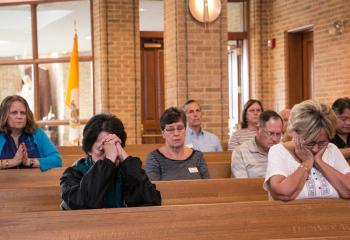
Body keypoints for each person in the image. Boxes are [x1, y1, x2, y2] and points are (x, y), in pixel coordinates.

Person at [60, 114, 161, 210]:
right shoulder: (73, 174)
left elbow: (151, 202)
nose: (109, 153)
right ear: (89, 150)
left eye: (113, 147)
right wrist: (108, 162)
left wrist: (124, 157)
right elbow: (85, 203)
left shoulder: (127, 170)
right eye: (102, 149)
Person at [264, 100, 350, 201]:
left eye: (322, 143)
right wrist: (307, 162)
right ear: (294, 133)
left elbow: (347, 191)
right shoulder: (278, 151)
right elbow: (283, 193)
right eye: (310, 143)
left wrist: (319, 162)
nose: (316, 149)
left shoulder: (331, 149)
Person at [145, 107, 209, 181]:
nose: (176, 133)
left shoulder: (198, 157)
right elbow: (152, 190)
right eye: (171, 129)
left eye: (180, 128)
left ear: (185, 131)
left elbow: (207, 187)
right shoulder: (154, 158)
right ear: (163, 134)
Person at [0, 95, 62, 171]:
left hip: (35, 181)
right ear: (4, 115)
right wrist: (12, 162)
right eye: (14, 113)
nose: (19, 116)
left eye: (23, 113)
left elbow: (57, 160)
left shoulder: (37, 133)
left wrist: (29, 162)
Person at [231, 110, 283, 178]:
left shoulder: (282, 151)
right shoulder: (240, 152)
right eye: (271, 133)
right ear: (258, 129)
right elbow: (242, 185)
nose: (275, 139)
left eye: (278, 134)